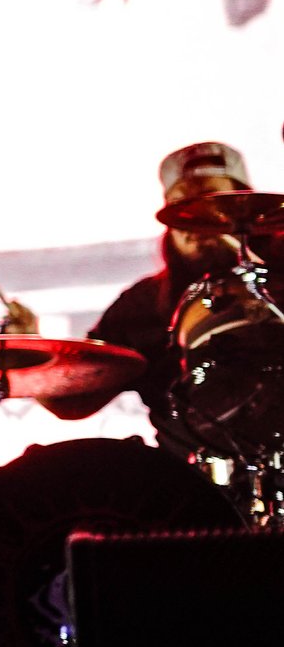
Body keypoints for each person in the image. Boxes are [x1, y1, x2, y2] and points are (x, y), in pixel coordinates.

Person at [38, 140, 258, 441]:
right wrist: (31, 351)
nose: (195, 217)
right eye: (181, 206)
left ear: (249, 208)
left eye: (212, 200)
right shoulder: (141, 304)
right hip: (189, 479)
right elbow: (73, 402)